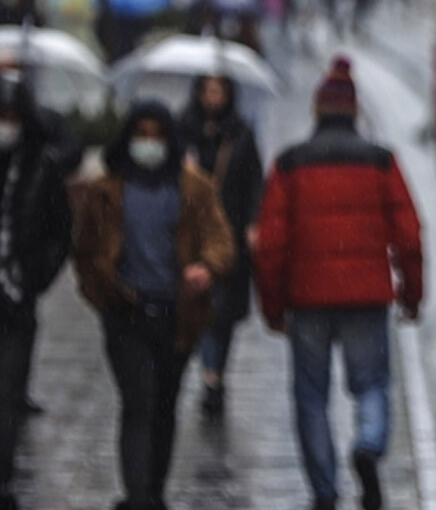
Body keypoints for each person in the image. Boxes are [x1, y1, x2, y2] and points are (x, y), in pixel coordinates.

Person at [255, 57, 424, 510]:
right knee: (371, 383)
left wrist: (272, 307)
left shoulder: (290, 164)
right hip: (367, 296)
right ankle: (368, 444)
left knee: (311, 396)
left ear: (316, 112)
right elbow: (410, 235)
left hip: (307, 299)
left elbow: (269, 244)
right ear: (354, 113)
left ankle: (325, 491)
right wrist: (412, 294)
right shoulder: (381, 161)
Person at [72, 101, 234, 510]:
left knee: (164, 404)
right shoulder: (106, 190)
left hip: (176, 315)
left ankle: (154, 491)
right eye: (140, 133)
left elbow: (220, 238)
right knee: (139, 401)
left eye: (156, 134)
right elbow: (85, 250)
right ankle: (138, 496)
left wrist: (207, 268)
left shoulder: (192, 187)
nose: (148, 143)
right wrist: (103, 295)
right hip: (125, 313)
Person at [0, 76, 72, 510]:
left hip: (15, 298)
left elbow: (59, 232)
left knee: (7, 393)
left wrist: (35, 277)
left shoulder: (40, 168)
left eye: (10, 117)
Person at [177, 75, 264, 420]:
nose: (213, 98)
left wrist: (252, 223)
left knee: (221, 313)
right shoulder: (182, 129)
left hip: (228, 233)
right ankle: (209, 375)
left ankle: (215, 374)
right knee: (200, 306)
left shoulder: (239, 132)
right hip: (190, 234)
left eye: (220, 91)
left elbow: (255, 180)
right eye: (208, 90)